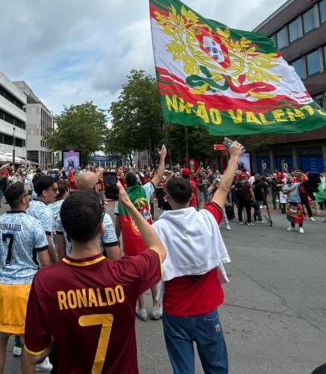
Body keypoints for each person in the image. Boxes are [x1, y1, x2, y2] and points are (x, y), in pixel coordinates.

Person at [22, 184, 166, 373]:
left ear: (65, 229)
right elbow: (159, 249)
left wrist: (57, 341)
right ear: (101, 230)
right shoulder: (128, 272)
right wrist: (129, 206)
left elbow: (34, 355)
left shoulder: (45, 280)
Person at [152, 141, 243, 374]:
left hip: (175, 310)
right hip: (206, 309)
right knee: (216, 368)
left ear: (167, 198)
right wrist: (233, 157)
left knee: (182, 369)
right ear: (193, 196)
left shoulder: (157, 230)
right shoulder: (208, 218)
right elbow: (223, 188)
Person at [0, 182, 52, 373]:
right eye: (28, 194)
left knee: (0, 337)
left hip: (2, 287)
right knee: (26, 343)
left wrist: (3, 267)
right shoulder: (33, 224)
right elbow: (45, 263)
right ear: (23, 199)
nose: (30, 197)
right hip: (26, 288)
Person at [114, 144, 167, 321]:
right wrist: (162, 157)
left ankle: (141, 308)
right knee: (151, 271)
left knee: (136, 276)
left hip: (130, 242)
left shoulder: (121, 198)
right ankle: (157, 306)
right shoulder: (146, 190)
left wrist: (115, 241)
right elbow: (159, 175)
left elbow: (118, 223)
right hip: (147, 238)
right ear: (138, 181)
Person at [26, 176, 59, 264]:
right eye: (55, 190)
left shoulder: (29, 205)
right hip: (40, 259)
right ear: (44, 192)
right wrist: (55, 261)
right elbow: (47, 239)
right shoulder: (45, 210)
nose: (57, 193)